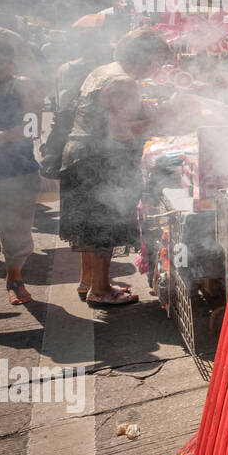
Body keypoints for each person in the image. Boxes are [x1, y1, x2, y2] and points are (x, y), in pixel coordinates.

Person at [59, 29, 173, 306]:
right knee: (102, 224)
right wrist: (162, 120)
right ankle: (100, 290)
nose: (157, 68)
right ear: (144, 57)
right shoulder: (124, 81)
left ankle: (89, 281)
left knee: (89, 224)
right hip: (98, 161)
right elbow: (121, 132)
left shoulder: (105, 70)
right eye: (157, 61)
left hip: (80, 155)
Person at [0, 38, 43, 305]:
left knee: (17, 234)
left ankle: (14, 279)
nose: (0, 67)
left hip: (17, 172)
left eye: (5, 61)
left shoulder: (22, 85)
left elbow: (33, 127)